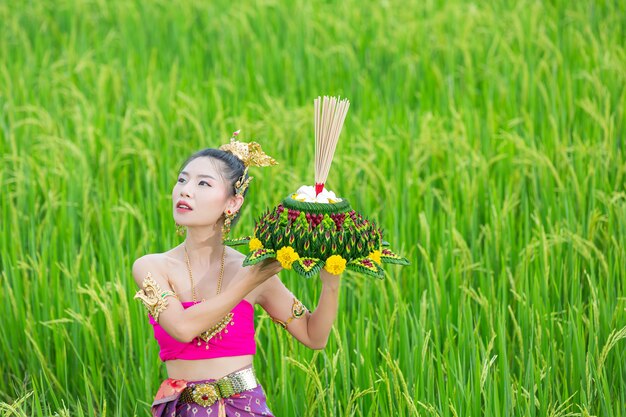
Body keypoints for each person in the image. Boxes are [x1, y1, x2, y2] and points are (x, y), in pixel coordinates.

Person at [132, 133, 342, 417]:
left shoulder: (254, 270)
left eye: (203, 183)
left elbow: (313, 336)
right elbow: (181, 328)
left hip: (243, 408)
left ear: (232, 203)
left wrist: (330, 284)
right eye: (182, 180)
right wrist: (250, 280)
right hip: (180, 409)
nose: (185, 190)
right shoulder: (152, 267)